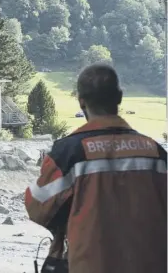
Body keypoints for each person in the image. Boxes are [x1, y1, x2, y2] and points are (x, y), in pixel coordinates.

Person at [24, 64, 167, 273]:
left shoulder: (68, 153)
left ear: (81, 101)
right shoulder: (155, 152)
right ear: (119, 97)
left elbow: (37, 206)